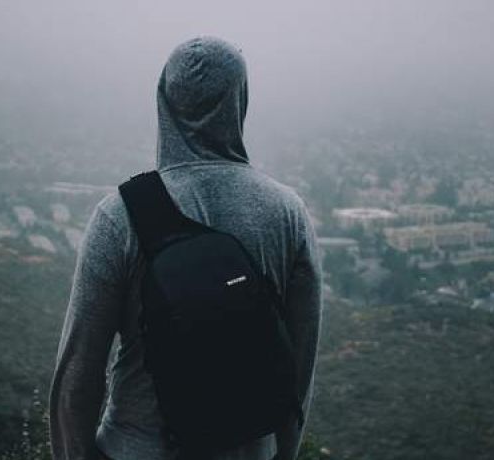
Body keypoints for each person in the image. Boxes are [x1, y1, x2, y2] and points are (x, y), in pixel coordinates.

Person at [48, 36, 322, 460]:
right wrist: (281, 453)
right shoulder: (287, 213)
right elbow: (300, 362)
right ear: (240, 101)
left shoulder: (119, 215)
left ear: (163, 101)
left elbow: (79, 371)